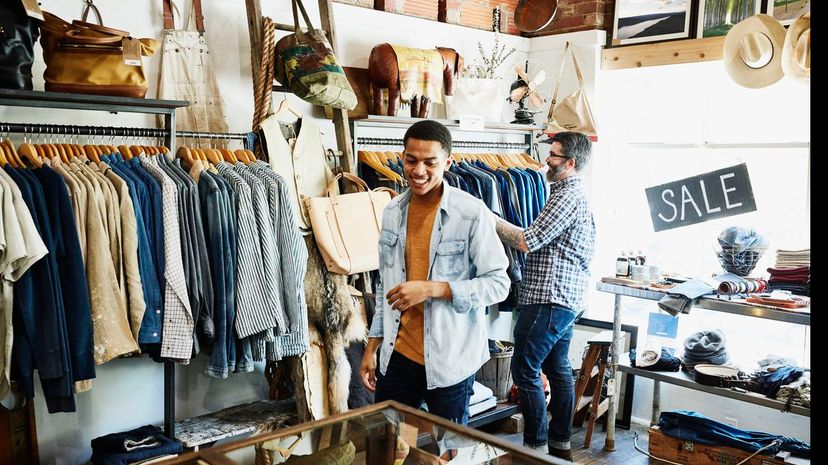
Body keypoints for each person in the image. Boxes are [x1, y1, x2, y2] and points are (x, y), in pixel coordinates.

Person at [359, 120, 510, 425]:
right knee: (390, 444)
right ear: (402, 157)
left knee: (447, 452)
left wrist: (433, 289)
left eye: (430, 162)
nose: (418, 171)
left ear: (448, 163)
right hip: (397, 356)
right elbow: (384, 286)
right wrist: (372, 346)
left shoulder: (471, 212)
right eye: (411, 160)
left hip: (450, 361)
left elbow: (499, 284)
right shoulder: (392, 211)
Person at [494, 131, 596, 460]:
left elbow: (528, 240)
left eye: (553, 155)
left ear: (570, 163)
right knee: (558, 368)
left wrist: (490, 220)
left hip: (550, 298)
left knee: (524, 369)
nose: (546, 160)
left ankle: (535, 447)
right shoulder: (566, 193)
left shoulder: (567, 196)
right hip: (564, 298)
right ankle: (560, 445)